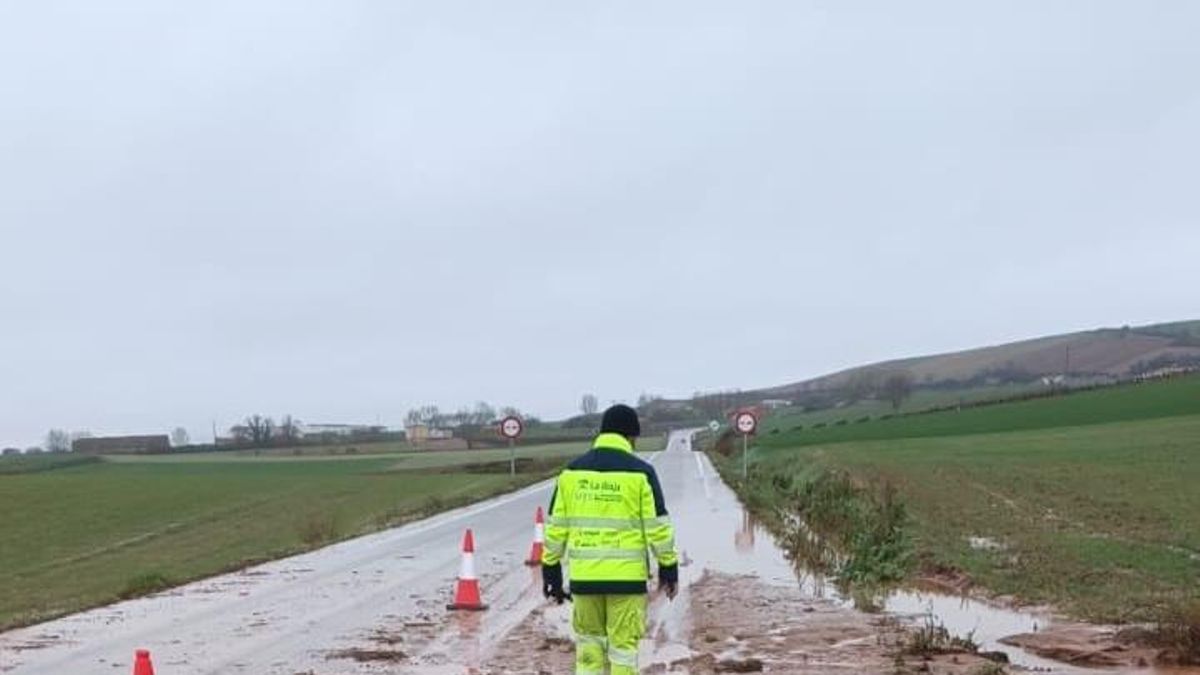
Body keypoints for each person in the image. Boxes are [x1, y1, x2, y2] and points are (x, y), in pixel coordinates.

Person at [542, 404, 679, 675]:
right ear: (631, 437)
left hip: (584, 581)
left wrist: (551, 569)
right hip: (626, 582)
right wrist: (668, 567)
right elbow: (658, 528)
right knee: (623, 651)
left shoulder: (571, 473)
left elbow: (556, 528)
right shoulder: (641, 473)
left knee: (589, 649)